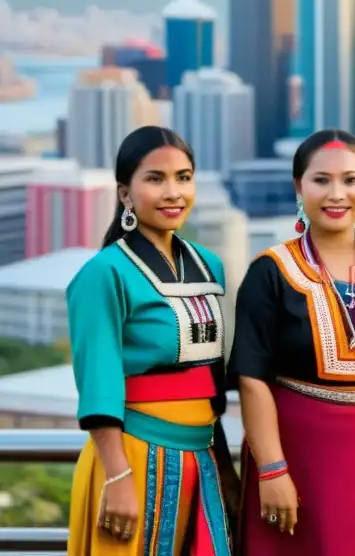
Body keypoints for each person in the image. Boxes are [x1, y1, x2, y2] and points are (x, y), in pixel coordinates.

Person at [229, 129, 355, 555]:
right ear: (298, 187)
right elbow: (252, 379)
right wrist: (271, 469)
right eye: (321, 180)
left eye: (350, 180)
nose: (336, 193)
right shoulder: (270, 272)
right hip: (294, 456)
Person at [66, 125, 238, 555]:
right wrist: (117, 477)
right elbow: (99, 383)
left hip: (203, 462)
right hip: (132, 459)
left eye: (183, 177)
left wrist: (227, 469)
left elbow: (211, 380)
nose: (173, 192)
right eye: (155, 179)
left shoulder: (209, 265)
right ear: (125, 193)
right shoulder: (104, 273)